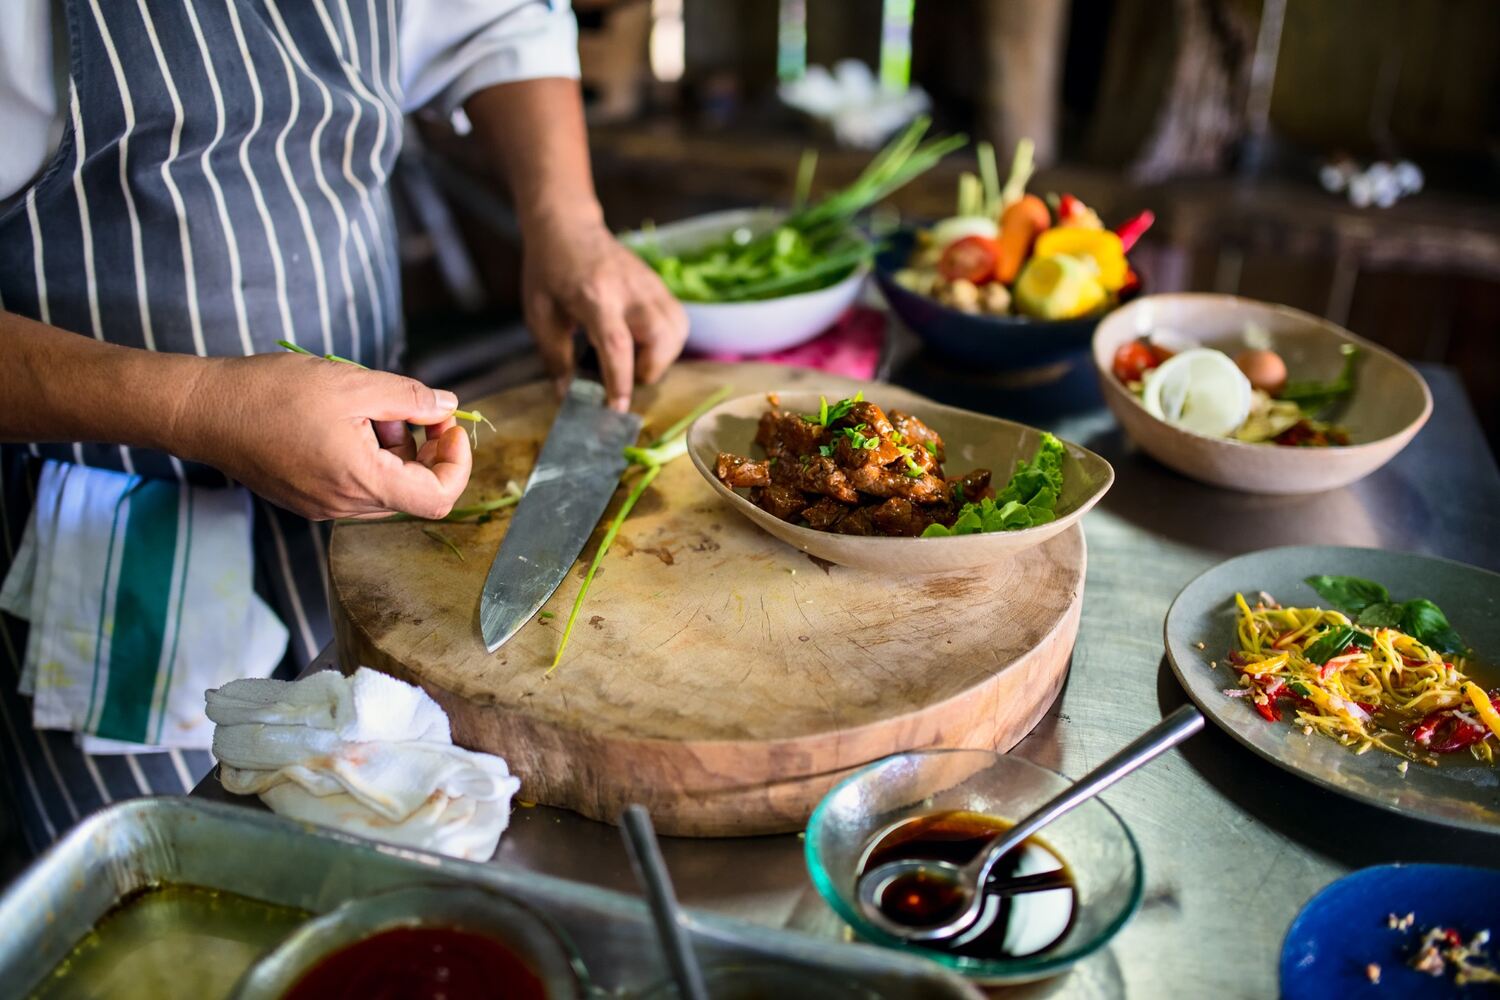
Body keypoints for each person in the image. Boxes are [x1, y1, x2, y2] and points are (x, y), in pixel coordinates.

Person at [0, 0, 686, 856]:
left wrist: (568, 221)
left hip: (379, 525)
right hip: (114, 553)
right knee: (189, 888)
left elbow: (500, 20)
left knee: (397, 856)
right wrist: (194, 409)